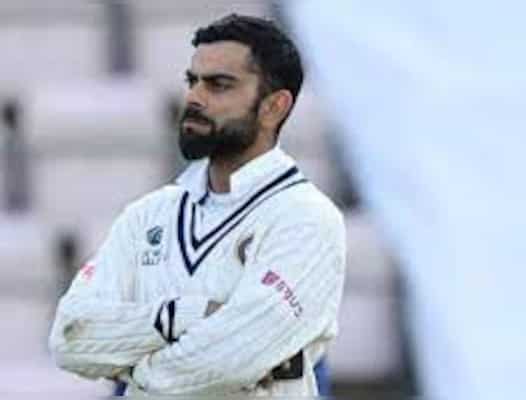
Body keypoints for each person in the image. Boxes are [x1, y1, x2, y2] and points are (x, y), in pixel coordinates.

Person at [48, 13, 346, 397]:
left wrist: (137, 372)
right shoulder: (147, 215)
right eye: (192, 81)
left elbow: (232, 358)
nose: (194, 98)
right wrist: (182, 316)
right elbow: (70, 337)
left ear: (274, 106)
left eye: (219, 85)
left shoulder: (306, 218)